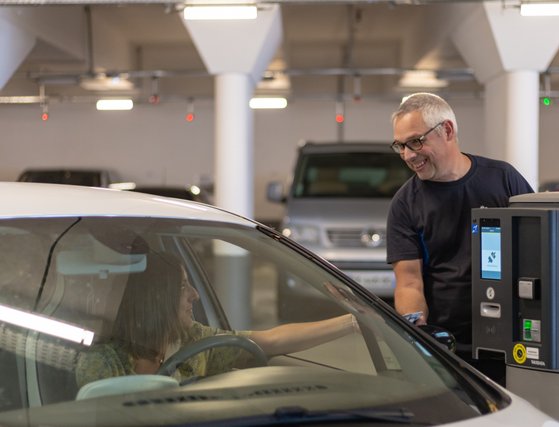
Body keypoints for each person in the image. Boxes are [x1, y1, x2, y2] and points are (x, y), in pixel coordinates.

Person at [386, 93, 533, 385]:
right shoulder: (405, 204)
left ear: (448, 131)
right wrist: (418, 327)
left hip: (512, 343)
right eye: (401, 146)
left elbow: (536, 248)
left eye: (416, 141)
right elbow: (409, 282)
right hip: (448, 348)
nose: (408, 155)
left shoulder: (503, 179)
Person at [75, 251, 357, 387]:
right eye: (183, 287)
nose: (195, 295)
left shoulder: (195, 342)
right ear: (157, 298)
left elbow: (270, 340)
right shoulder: (102, 362)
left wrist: (355, 321)